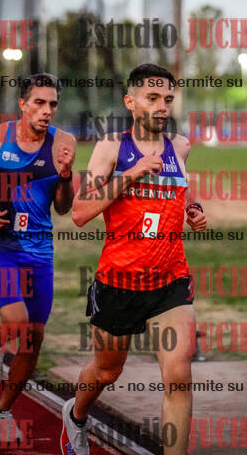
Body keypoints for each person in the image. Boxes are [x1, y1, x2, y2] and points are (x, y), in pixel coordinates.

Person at [61, 63, 207, 455]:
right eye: (152, 98)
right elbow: (80, 212)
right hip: (119, 283)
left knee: (179, 378)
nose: (162, 106)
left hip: (170, 281)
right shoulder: (111, 147)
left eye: (168, 99)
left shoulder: (180, 147)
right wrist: (133, 173)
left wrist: (194, 211)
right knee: (108, 370)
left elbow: (180, 193)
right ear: (130, 102)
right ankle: (76, 414)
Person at [0, 72, 75, 444]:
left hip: (40, 251)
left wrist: (66, 177)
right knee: (17, 322)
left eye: (52, 104)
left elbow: (63, 208)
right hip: (2, 247)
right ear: (22, 104)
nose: (47, 110)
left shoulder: (64, 143)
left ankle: (1, 411)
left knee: (34, 339)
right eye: (39, 103)